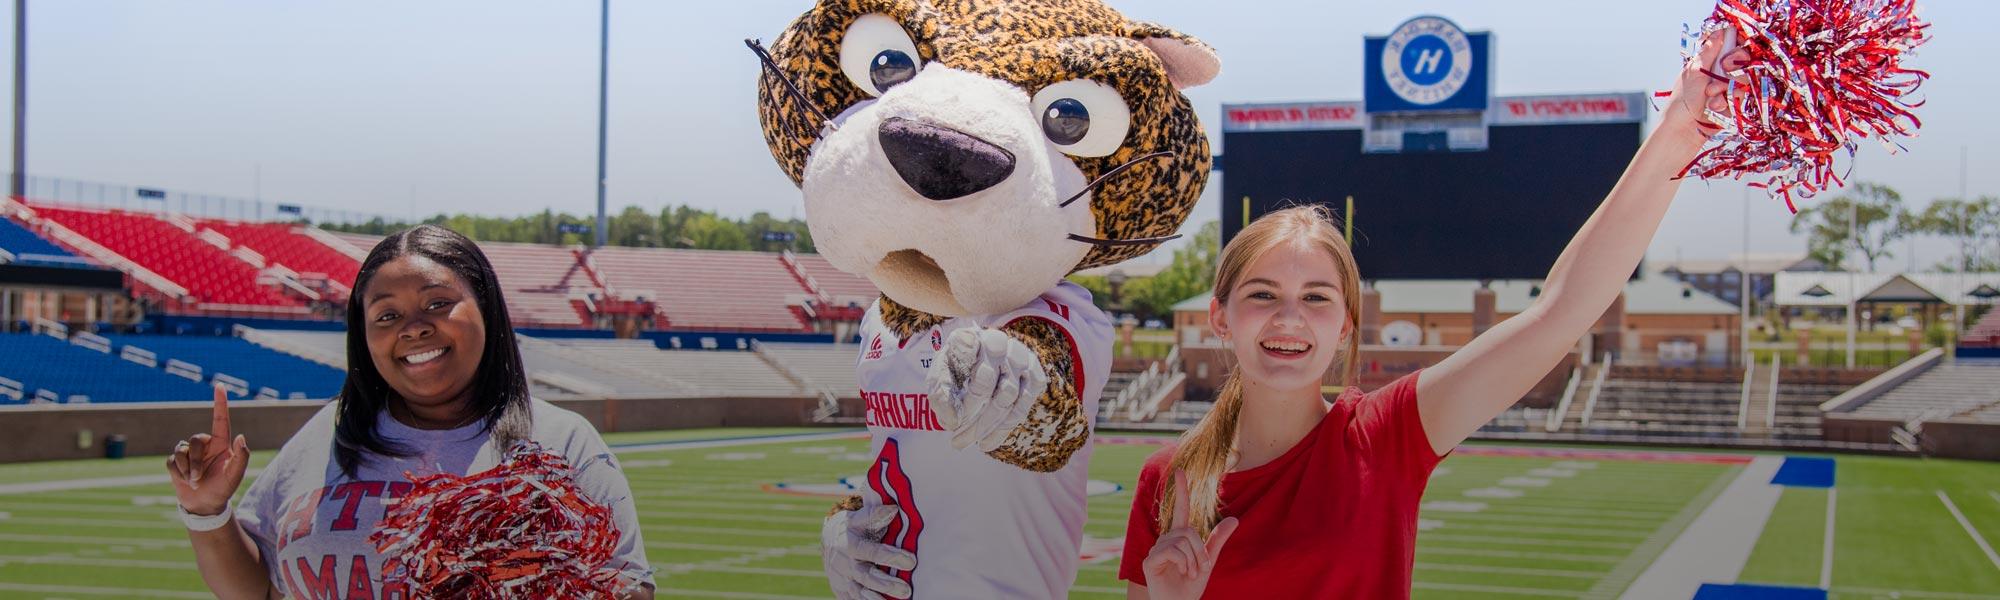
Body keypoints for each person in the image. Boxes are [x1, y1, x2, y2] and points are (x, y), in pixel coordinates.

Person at [1119, 33, 1745, 599]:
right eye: (1261, 295)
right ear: (1220, 318)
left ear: (1345, 326)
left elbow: (1560, 313)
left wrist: (1680, 132)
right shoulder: (1168, 483)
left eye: (1316, 297)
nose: (1289, 318)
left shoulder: (1386, 437)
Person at [164, 225, 654, 599]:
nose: (414, 328)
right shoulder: (328, 433)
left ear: (486, 309)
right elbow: (262, 591)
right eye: (387, 315)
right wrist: (206, 511)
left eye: (437, 303)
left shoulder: (560, 442)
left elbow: (631, 586)